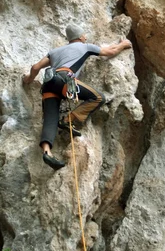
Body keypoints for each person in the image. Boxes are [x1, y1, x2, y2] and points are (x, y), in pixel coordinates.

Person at [23, 23, 132, 170]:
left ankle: (47, 152)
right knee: (98, 98)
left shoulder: (54, 51)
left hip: (48, 84)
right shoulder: (85, 46)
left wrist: (28, 80)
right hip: (65, 80)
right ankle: (68, 120)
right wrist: (123, 44)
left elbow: (35, 67)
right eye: (84, 34)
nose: (85, 36)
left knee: (50, 119)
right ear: (81, 37)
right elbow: (110, 52)